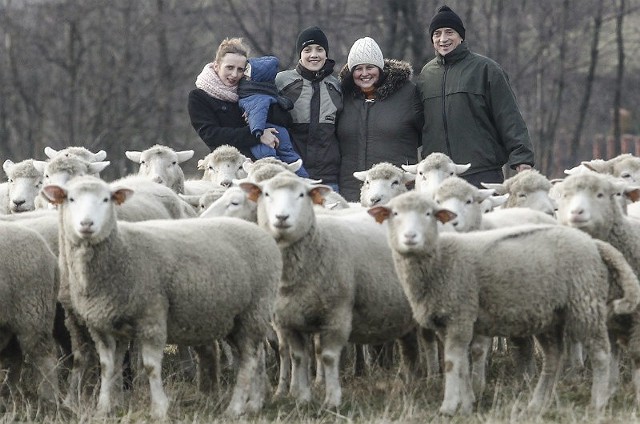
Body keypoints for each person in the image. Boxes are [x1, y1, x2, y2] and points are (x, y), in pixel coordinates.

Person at [416, 5, 535, 188]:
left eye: (449, 32)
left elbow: (509, 117)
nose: (443, 39)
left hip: (481, 173)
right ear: (432, 38)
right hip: (437, 177)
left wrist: (522, 161)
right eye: (437, 33)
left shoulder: (486, 70)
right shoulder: (426, 75)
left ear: (461, 36)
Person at [336, 36, 424, 202]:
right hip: (351, 192)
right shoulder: (342, 96)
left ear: (380, 68)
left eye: (370, 67)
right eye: (358, 68)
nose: (364, 74)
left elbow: (427, 135)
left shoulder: (409, 94)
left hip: (395, 193)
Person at [188, 37, 290, 160]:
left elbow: (286, 120)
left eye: (240, 69)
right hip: (227, 165)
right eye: (229, 67)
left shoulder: (253, 89)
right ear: (216, 66)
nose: (235, 75)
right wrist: (257, 135)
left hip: (266, 159)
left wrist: (263, 112)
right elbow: (211, 135)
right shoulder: (199, 97)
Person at [275, 26, 342, 191]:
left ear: (326, 53)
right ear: (300, 54)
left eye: (319, 49)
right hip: (291, 175)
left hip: (329, 178)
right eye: (307, 50)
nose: (314, 55)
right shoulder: (281, 82)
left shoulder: (336, 86)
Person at [238, 55, 309, 177]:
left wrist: (257, 132)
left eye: (246, 73)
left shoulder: (255, 97)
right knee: (289, 155)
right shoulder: (269, 93)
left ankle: (276, 175)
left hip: (267, 130)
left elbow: (257, 114)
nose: (243, 75)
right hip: (281, 131)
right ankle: (303, 178)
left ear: (255, 78)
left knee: (267, 156)